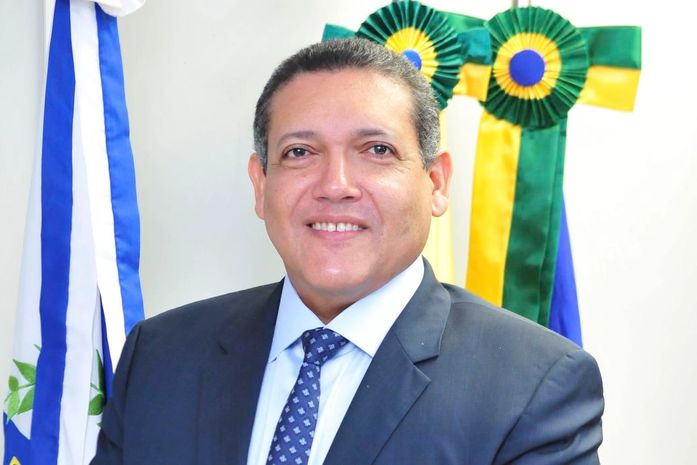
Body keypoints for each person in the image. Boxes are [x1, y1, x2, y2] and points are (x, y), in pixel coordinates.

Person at [91, 38, 604, 465]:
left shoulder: (534, 386)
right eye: (300, 152)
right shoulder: (160, 357)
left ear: (436, 182)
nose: (335, 185)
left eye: (377, 150)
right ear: (260, 185)